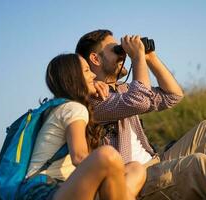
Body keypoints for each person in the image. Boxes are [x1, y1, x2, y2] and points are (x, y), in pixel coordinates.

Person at [75, 29, 206, 200]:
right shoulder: (92, 99)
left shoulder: (122, 89)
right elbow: (138, 101)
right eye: (116, 49)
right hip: (133, 180)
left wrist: (150, 58)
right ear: (95, 58)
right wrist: (136, 56)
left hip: (155, 162)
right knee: (196, 164)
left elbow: (173, 96)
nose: (123, 54)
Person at [17, 54, 146, 200]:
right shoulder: (73, 108)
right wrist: (110, 173)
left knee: (135, 168)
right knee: (107, 155)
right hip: (44, 191)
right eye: (86, 71)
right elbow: (79, 157)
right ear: (73, 78)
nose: (93, 75)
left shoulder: (59, 106)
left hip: (63, 187)